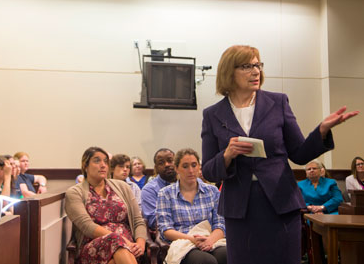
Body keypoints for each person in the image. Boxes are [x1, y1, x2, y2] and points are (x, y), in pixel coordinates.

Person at [201, 45, 359, 264]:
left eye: (258, 65)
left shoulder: (277, 102)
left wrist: (321, 130)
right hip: (240, 208)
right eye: (247, 66)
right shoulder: (212, 114)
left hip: (280, 203)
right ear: (229, 71)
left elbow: (300, 154)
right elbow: (208, 169)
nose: (256, 71)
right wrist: (227, 155)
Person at [64, 147, 147, 264]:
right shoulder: (74, 192)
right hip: (93, 247)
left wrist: (140, 244)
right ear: (85, 166)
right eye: (97, 161)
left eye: (105, 162)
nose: (103, 165)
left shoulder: (123, 187)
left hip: (130, 248)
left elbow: (138, 220)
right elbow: (87, 226)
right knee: (115, 240)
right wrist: (121, 240)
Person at [156, 148, 227, 264]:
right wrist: (193, 240)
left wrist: (210, 240)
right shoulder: (165, 194)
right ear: (176, 169)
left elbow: (220, 223)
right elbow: (166, 230)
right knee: (206, 261)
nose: (191, 170)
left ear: (199, 167)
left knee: (227, 255)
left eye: (194, 165)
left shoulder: (212, 191)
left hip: (210, 238)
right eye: (185, 166)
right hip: (183, 241)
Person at [141, 148, 176, 229]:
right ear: (156, 168)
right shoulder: (149, 190)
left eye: (170, 160)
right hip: (166, 232)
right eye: (161, 163)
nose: (167, 164)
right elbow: (152, 221)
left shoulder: (190, 183)